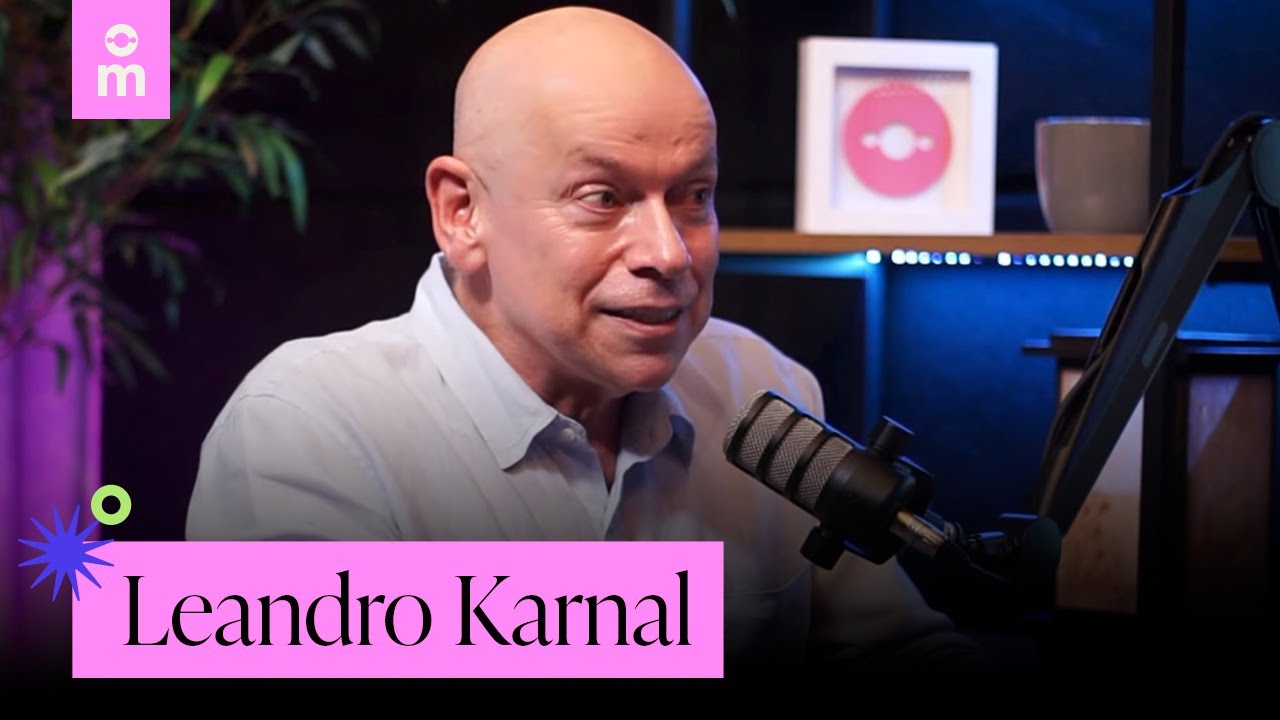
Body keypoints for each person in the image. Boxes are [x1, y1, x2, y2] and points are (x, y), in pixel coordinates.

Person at [186, 5, 987, 680]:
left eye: (694, 196)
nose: (668, 253)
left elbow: (900, 649)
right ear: (462, 212)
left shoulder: (759, 384)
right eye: (602, 198)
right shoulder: (308, 430)